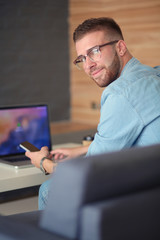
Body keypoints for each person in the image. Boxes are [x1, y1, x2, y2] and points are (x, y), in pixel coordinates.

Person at [26, 17, 160, 209]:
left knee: (49, 190)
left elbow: (88, 173)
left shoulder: (120, 93)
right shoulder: (154, 75)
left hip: (146, 196)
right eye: (82, 58)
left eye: (94, 52)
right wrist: (82, 150)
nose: (88, 65)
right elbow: (137, 139)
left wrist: (43, 162)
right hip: (151, 183)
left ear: (120, 47)